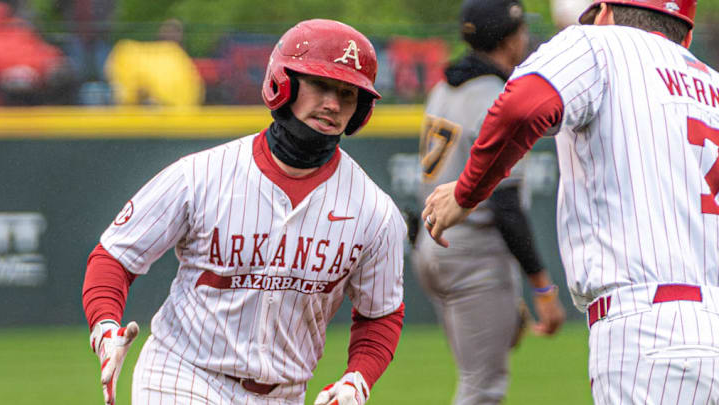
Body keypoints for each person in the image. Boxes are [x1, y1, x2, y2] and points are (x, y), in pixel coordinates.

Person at [82, 19, 406, 405]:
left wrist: (358, 378)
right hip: (182, 374)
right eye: (320, 84)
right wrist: (104, 325)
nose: (333, 104)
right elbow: (116, 255)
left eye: (348, 93)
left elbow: (380, 314)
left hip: (285, 393)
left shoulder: (374, 211)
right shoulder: (201, 175)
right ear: (282, 83)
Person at [422, 0, 719, 403]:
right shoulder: (713, 85)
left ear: (605, 15)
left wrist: (466, 193)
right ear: (685, 34)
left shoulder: (598, 44)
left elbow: (524, 105)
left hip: (646, 332)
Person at [412, 1, 565, 403]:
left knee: (480, 370)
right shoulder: (497, 98)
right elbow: (506, 206)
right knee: (483, 389)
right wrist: (543, 288)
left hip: (434, 248)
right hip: (472, 254)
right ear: (510, 38)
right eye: (521, 32)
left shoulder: (444, 87)